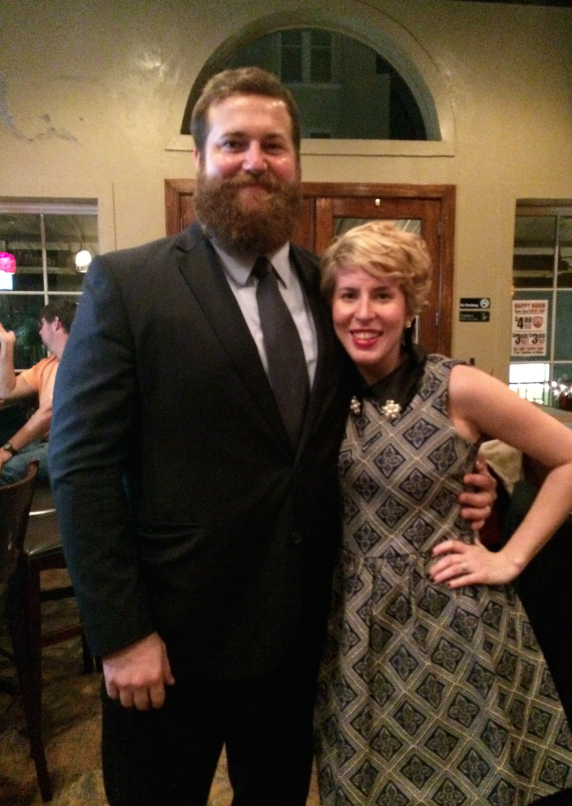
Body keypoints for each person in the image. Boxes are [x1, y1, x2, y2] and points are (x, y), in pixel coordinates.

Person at [49, 68, 495, 806]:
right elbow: (81, 468)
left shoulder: (334, 293)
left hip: (302, 640)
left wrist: (472, 480)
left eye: (274, 145)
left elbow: (404, 406)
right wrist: (122, 633)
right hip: (170, 644)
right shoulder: (130, 286)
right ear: (201, 158)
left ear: (296, 164)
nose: (254, 160)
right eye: (233, 143)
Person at [314, 220, 572, 805]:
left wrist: (509, 558)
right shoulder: (318, 393)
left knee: (464, 783)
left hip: (447, 622)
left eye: (383, 294)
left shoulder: (455, 386)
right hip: (352, 624)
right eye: (349, 295)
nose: (364, 313)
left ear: (410, 306)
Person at [0, 300, 77, 485]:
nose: (40, 332)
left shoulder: (80, 361)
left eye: (42, 325)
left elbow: (49, 412)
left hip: (74, 446)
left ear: (56, 323)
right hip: (47, 441)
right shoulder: (47, 365)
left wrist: (8, 449)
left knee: (7, 469)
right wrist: (7, 345)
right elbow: (6, 390)